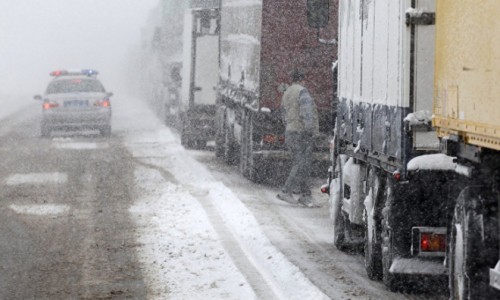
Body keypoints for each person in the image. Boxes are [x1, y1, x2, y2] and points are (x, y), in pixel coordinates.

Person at [277, 68, 319, 207]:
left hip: (290, 131)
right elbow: (306, 113)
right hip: (301, 133)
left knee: (302, 163)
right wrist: (310, 130)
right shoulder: (303, 92)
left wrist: (289, 125)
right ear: (302, 79)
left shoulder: (287, 92)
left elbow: (283, 113)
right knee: (301, 163)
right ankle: (286, 191)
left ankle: (306, 196)